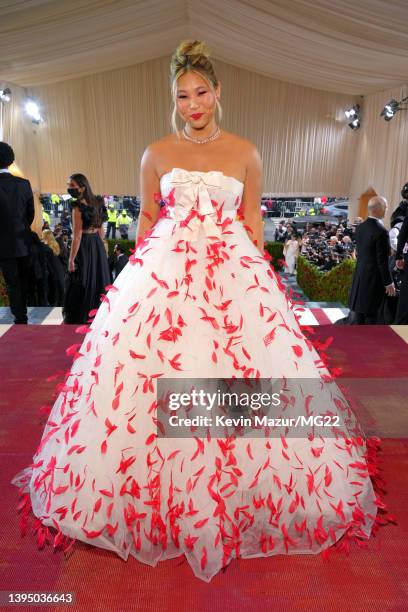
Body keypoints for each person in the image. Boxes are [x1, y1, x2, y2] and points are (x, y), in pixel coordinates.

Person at [12, 40, 380, 582]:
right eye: (183, 96)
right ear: (174, 98)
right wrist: (130, 293)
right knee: (152, 379)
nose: (193, 104)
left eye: (201, 92)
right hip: (165, 278)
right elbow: (143, 226)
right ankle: (163, 493)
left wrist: (264, 296)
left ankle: (240, 491)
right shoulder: (156, 152)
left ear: (218, 91)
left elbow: (253, 226)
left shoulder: (247, 152)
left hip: (233, 277)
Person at [62, 173, 110, 323]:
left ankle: (83, 317)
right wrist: (103, 248)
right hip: (97, 244)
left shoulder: (77, 207)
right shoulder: (98, 201)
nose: (69, 188)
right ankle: (98, 316)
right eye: (69, 185)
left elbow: (77, 236)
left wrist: (71, 260)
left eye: (72, 186)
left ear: (82, 188)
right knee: (98, 278)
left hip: (85, 245)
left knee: (82, 279)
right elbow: (101, 229)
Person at [0, 142, 34, 324]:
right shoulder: (24, 184)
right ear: (11, 160)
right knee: (22, 281)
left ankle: (19, 316)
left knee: (12, 282)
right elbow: (30, 215)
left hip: (3, 244)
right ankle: (22, 313)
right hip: (23, 241)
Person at [348, 196, 395, 324]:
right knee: (372, 318)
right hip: (374, 281)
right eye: (385, 207)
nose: (386, 210)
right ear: (378, 209)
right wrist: (388, 283)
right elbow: (382, 261)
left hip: (359, 276)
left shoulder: (361, 227)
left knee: (359, 316)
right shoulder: (381, 232)